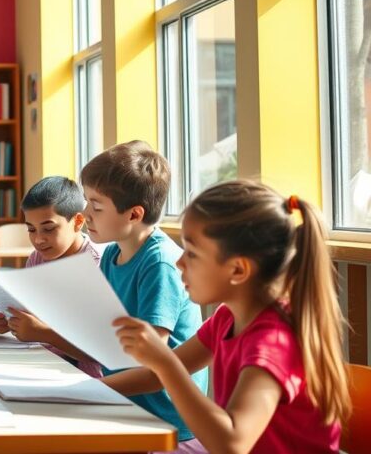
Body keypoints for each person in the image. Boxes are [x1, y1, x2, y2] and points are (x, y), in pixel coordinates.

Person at [106, 181, 350, 453]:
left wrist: (165, 364)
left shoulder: (273, 342)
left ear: (238, 270)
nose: (179, 262)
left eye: (193, 253)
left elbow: (233, 445)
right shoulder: (227, 319)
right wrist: (87, 389)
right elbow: (155, 376)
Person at [80, 141, 207, 452]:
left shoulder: (160, 263)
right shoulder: (111, 254)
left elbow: (155, 370)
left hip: (165, 427)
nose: (85, 214)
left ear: (134, 214)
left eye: (96, 206)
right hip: (126, 409)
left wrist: (87, 389)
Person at [0, 176, 105, 377]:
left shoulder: (98, 265)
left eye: (49, 229)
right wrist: (8, 321)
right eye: (31, 229)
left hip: (83, 376)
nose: (38, 239)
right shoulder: (37, 259)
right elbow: (33, 318)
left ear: (78, 221)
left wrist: (41, 333)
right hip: (40, 362)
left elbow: (98, 349)